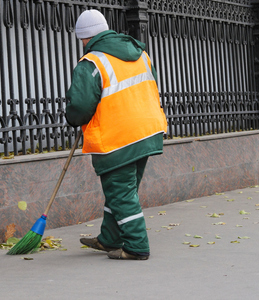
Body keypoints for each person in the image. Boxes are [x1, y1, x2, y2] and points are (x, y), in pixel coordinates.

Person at [65, 9, 167, 260]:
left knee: (121, 193)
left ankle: (136, 246)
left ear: (85, 38)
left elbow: (79, 106)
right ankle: (110, 238)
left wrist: (75, 119)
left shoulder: (92, 63)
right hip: (148, 131)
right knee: (121, 191)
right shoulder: (140, 54)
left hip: (117, 138)